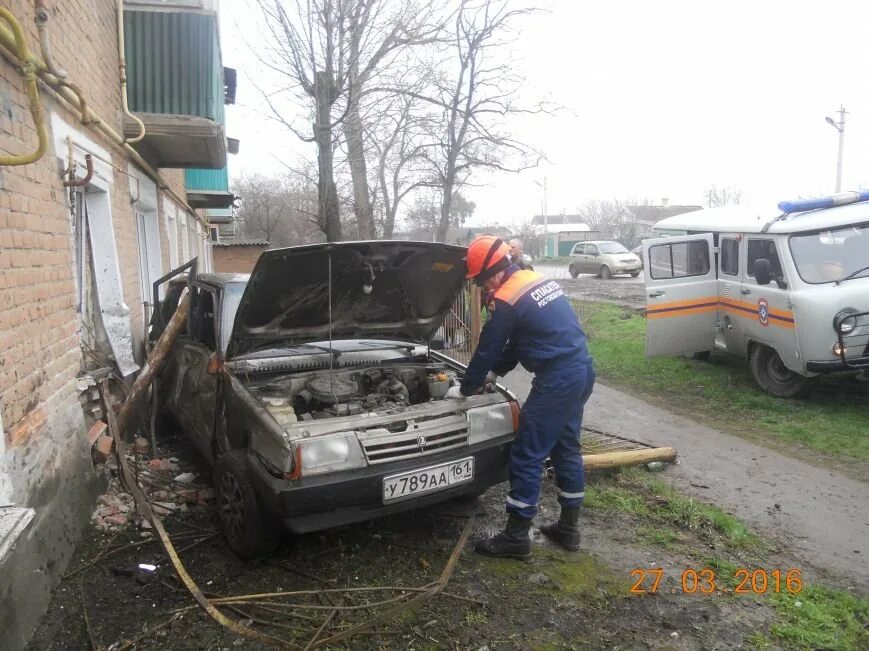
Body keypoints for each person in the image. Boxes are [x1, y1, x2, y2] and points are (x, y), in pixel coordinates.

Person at [445, 236, 595, 560]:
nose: (481, 287)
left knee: (526, 452)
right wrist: (494, 375)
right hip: (581, 370)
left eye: (481, 280)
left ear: (494, 270)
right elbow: (517, 341)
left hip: (557, 379)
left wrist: (466, 388)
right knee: (567, 446)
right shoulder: (533, 280)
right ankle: (569, 529)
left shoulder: (507, 296)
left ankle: (515, 537)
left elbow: (489, 346)